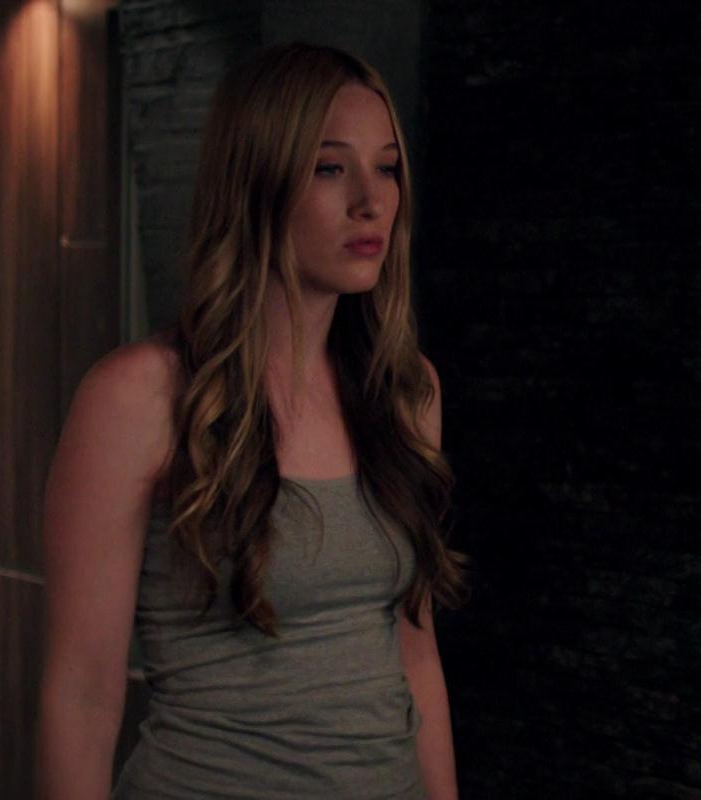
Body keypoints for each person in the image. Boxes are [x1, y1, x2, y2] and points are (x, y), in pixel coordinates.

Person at [34, 43, 467, 799]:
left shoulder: (406, 392)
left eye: (387, 167)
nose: (371, 201)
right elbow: (82, 694)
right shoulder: (139, 396)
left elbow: (415, 656)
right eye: (329, 168)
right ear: (257, 182)